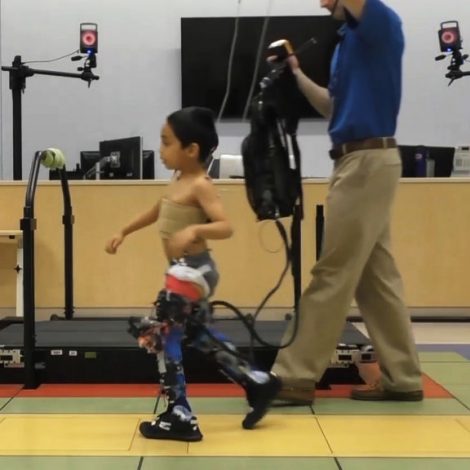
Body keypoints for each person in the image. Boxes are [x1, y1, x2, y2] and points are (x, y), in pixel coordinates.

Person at [249, 0, 423, 426]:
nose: (322, 2)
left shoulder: (379, 21)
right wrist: (295, 71)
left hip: (366, 162)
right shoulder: (349, 42)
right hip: (358, 161)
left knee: (332, 272)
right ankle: (403, 378)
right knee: (376, 278)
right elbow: (333, 106)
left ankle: (294, 375)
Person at [105, 106, 280, 442]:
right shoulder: (177, 180)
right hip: (182, 272)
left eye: (166, 141)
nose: (160, 149)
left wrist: (194, 230)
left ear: (191, 149)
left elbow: (225, 226)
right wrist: (124, 230)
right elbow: (158, 210)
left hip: (193, 271)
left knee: (161, 335)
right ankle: (257, 382)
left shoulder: (201, 184)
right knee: (198, 333)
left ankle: (180, 414)